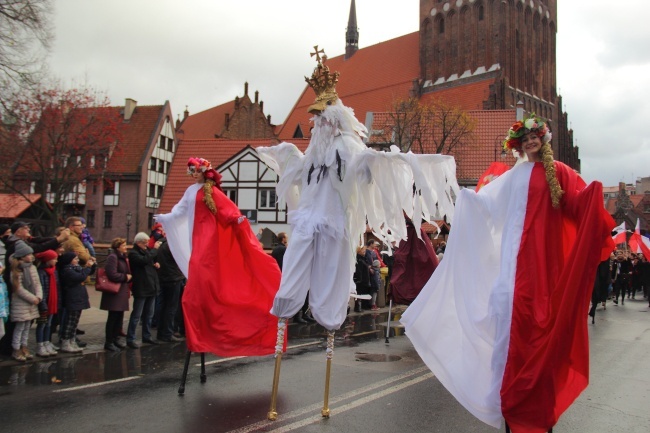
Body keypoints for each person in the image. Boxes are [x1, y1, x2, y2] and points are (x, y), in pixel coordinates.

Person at [402, 113, 615, 433]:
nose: (531, 141)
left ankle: (539, 413)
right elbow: (486, 206)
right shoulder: (512, 178)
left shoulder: (558, 173)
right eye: (525, 138)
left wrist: (593, 195)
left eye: (535, 136)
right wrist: (468, 198)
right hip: (513, 277)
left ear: (542, 139)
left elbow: (578, 204)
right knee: (511, 341)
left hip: (546, 272)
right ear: (518, 144)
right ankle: (513, 411)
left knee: (543, 341)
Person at [155, 157, 282, 357]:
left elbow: (227, 209)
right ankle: (200, 327)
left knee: (202, 272)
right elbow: (179, 211)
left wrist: (237, 218)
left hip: (209, 237)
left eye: (197, 171)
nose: (194, 174)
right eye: (192, 171)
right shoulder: (190, 191)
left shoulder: (211, 191)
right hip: (196, 238)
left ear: (204, 172)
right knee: (193, 288)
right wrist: (165, 218)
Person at [9, 241, 43, 361]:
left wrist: (38, 296)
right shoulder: (16, 270)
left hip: (32, 302)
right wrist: (32, 298)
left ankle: (25, 346)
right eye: (29, 254)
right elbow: (18, 288)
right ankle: (16, 349)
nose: (31, 256)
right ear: (22, 256)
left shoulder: (32, 268)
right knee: (20, 327)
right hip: (21, 302)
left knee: (27, 326)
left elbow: (38, 284)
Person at [127, 232, 161, 348]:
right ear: (138, 243)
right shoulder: (133, 254)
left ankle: (146, 336)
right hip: (141, 287)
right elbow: (143, 261)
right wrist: (154, 250)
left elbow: (148, 261)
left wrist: (155, 265)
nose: (147, 244)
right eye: (144, 242)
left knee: (149, 314)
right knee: (137, 314)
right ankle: (130, 338)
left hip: (151, 286)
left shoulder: (146, 252)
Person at [58, 251, 96, 353]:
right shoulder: (67, 270)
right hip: (72, 298)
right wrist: (88, 267)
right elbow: (80, 277)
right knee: (70, 322)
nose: (77, 260)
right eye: (75, 259)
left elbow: (87, 273)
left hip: (79, 297)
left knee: (74, 322)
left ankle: (72, 340)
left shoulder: (76, 268)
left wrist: (93, 265)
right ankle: (65, 342)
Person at [101, 238, 132, 352]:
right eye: (123, 245)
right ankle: (109, 341)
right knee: (113, 317)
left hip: (121, 290)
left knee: (119, 316)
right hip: (114, 291)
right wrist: (125, 277)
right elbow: (111, 274)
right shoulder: (113, 257)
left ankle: (115, 339)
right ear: (118, 246)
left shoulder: (123, 257)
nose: (126, 247)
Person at [155, 238, 185, 342]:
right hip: (173, 279)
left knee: (164, 307)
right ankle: (168, 333)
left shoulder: (162, 245)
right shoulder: (171, 246)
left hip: (165, 278)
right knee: (171, 308)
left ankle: (161, 333)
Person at [35, 250, 60, 356]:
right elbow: (42, 289)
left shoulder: (54, 271)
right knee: (42, 324)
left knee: (48, 324)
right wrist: (43, 304)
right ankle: (40, 345)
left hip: (52, 302)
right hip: (45, 303)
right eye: (54, 259)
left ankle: (46, 342)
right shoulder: (41, 272)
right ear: (48, 260)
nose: (56, 261)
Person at [352, 246, 371, 312]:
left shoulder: (363, 259)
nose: (364, 252)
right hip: (361, 280)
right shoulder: (359, 260)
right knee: (359, 294)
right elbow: (359, 270)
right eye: (363, 251)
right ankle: (358, 307)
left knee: (361, 293)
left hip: (363, 279)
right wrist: (359, 280)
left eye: (365, 251)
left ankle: (361, 307)